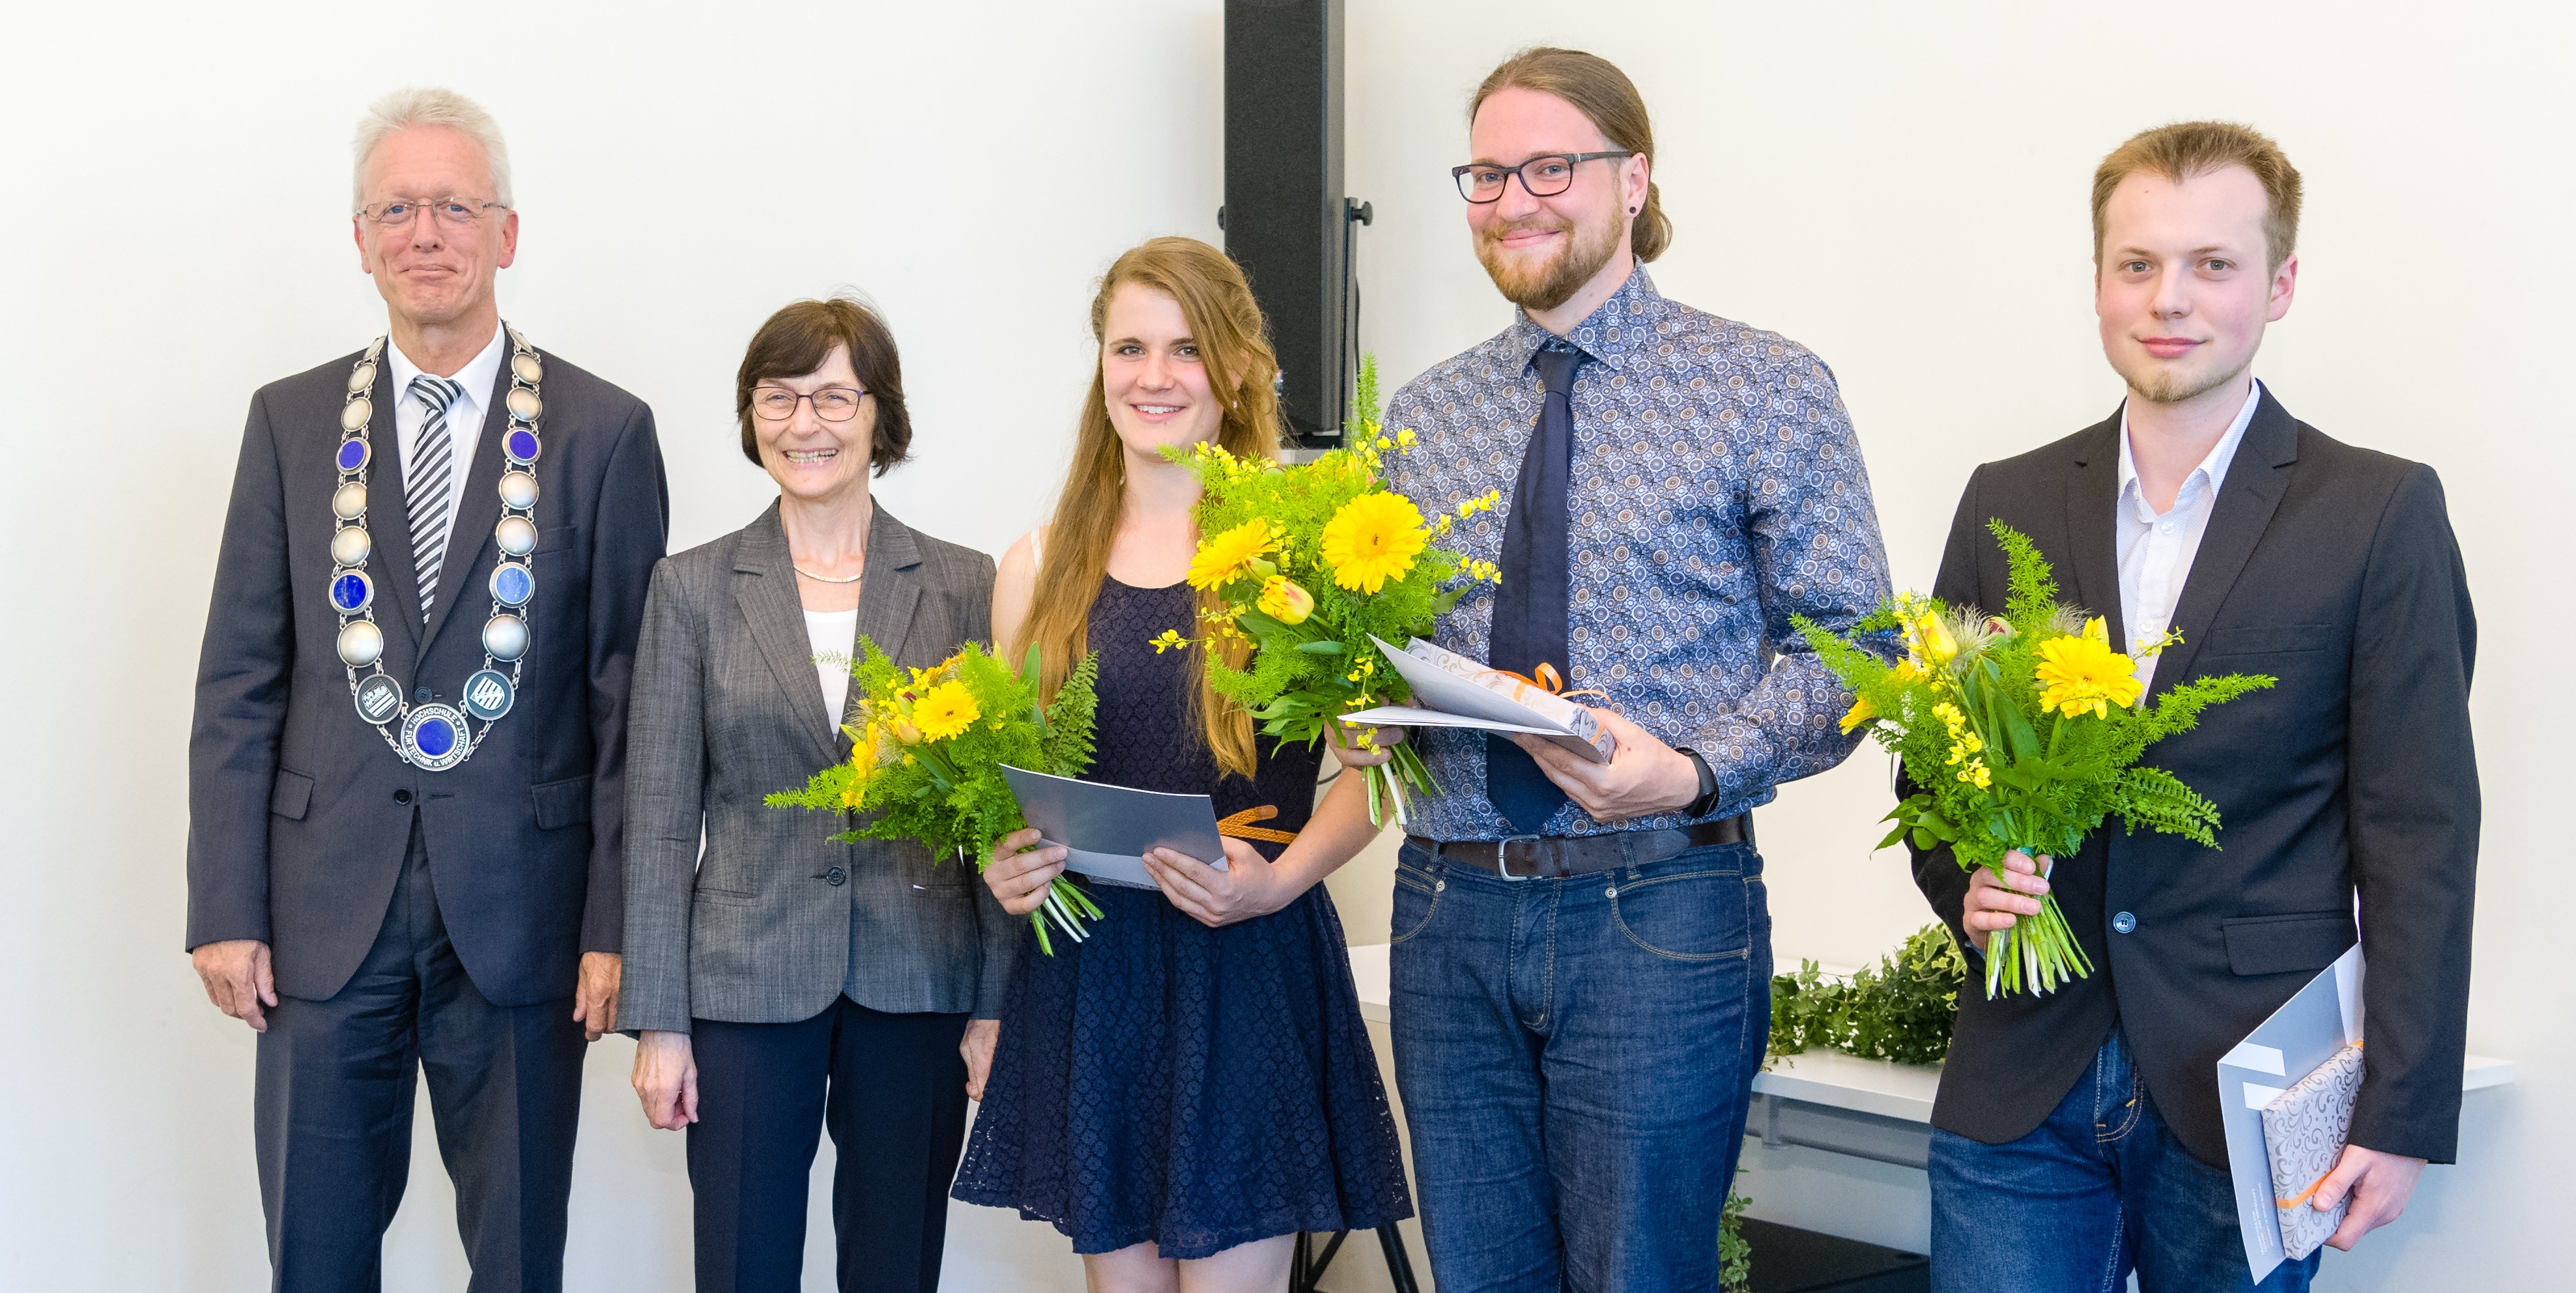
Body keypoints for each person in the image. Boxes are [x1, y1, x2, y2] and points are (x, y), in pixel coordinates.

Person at [1913, 121, 2478, 1290]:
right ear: (2098, 283)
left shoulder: (2377, 511)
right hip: (2019, 1081)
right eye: (2137, 265)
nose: (2168, 298)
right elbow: (1935, 768)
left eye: (2211, 265)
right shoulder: (2005, 496)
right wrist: (1962, 882)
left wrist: (2402, 1110)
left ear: (2277, 285)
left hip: (2252, 1089)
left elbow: (2420, 833)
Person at [1371, 48, 1889, 1290]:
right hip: (1448, 910)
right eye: (1486, 175)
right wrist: (1355, 714)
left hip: (1659, 910)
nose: (1513, 200)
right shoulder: (1423, 417)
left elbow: (1859, 647)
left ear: (1633, 176)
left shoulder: (1761, 385)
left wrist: (1696, 765)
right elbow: (1385, 644)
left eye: (1549, 165)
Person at [184, 87, 668, 1290]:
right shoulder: (291, 425)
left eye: (455, 205)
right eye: (395, 208)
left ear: (507, 232)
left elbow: (631, 711)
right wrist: (224, 902)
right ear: (359, 239)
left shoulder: (604, 433)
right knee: (316, 1248)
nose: (425, 233)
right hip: (317, 916)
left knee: (515, 1257)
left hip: (524, 914)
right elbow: (239, 678)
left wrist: (615, 927)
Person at [952, 236, 1412, 1290]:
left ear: (1237, 369)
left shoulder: (1305, 556)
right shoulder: (1036, 563)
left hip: (1246, 966)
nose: (1152, 377)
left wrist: (1281, 881)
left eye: (1184, 349)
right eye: (1128, 347)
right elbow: (1007, 786)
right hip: (1095, 976)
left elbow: (1378, 774)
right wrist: (1006, 863)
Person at [616, 298, 1013, 1293]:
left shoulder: (966, 586)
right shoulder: (692, 588)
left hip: (919, 974)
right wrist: (658, 1019)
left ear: (881, 415)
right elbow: (660, 821)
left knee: (895, 1266)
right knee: (744, 1265)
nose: (806, 423)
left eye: (834, 395)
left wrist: (997, 1004)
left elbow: (1001, 811)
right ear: (751, 416)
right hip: (743, 983)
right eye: (778, 397)